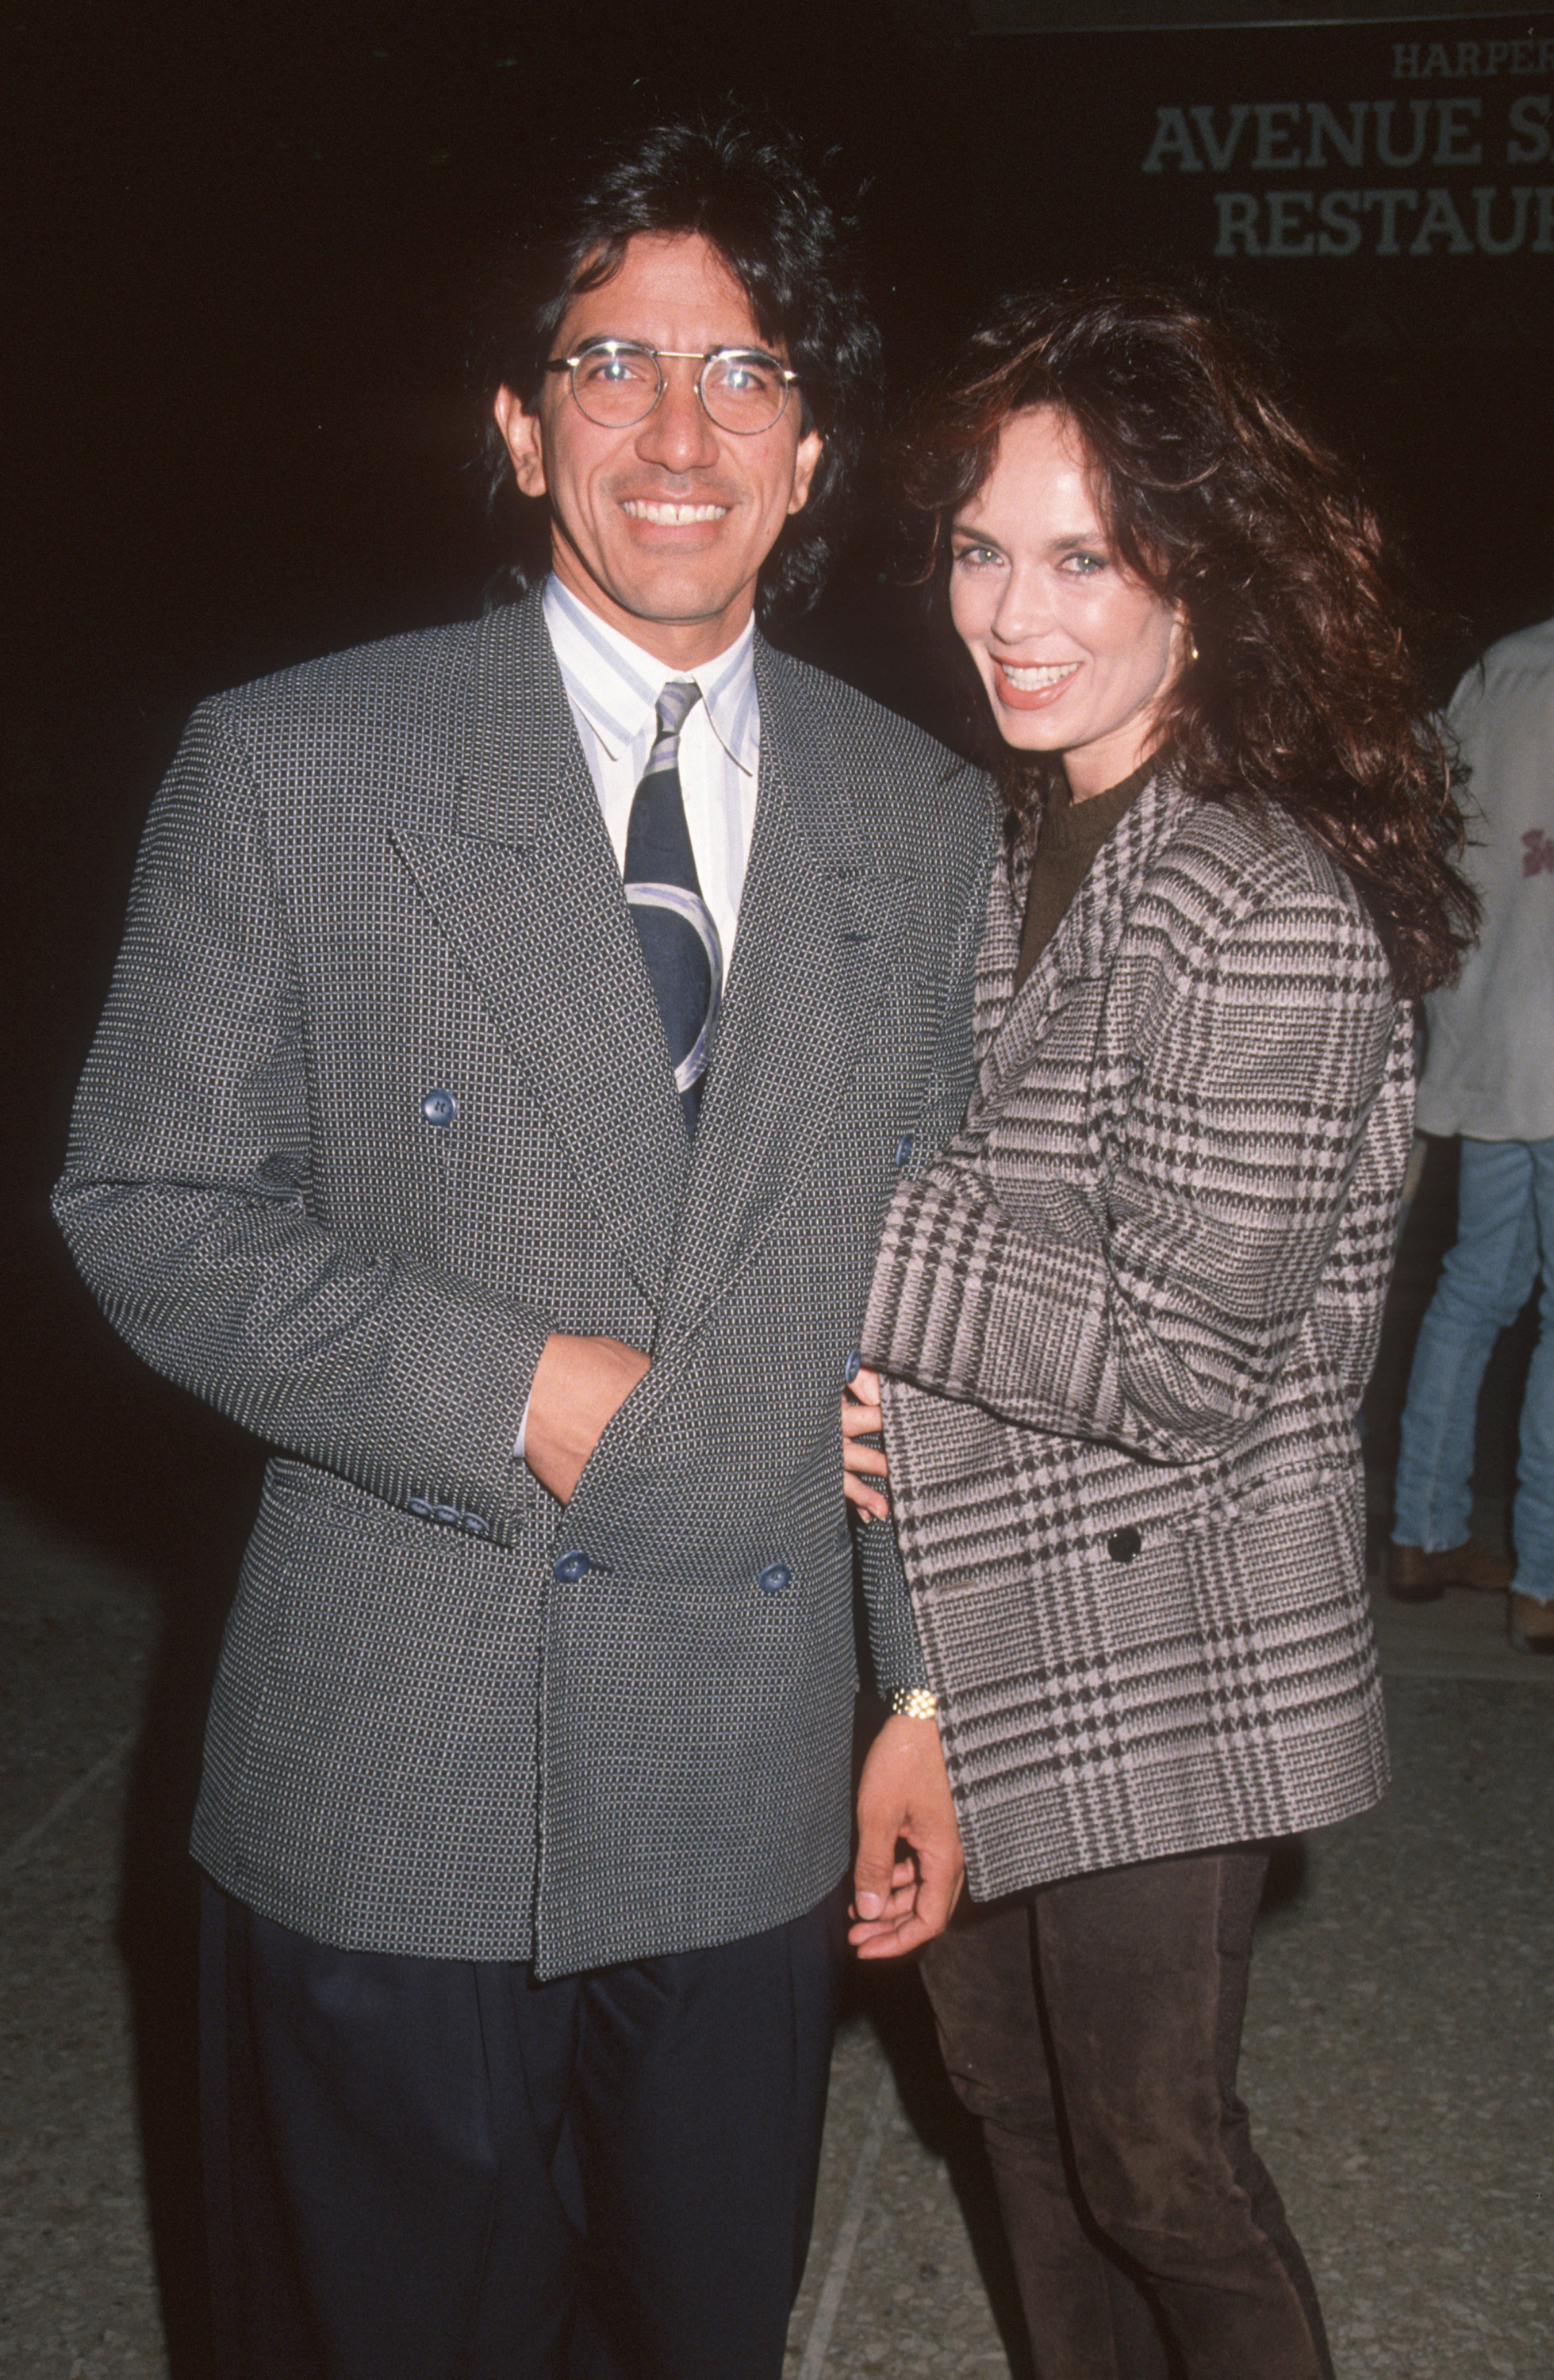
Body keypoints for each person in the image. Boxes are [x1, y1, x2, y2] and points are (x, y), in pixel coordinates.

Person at [53, 116, 995, 2380]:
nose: (679, 430)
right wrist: (513, 1391)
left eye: (747, 372)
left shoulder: (925, 811)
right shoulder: (301, 763)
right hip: (402, 1765)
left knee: (695, 2335)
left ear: (816, 449)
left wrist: (931, 1690)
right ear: (516, 423)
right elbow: (145, 1205)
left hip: (748, 1773)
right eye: (613, 363)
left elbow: (939, 1297)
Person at [838, 286, 1474, 2380]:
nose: (1014, 615)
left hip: (1166, 1629)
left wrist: (831, 1232)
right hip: (991, 1609)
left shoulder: (1258, 888)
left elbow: (1191, 1355)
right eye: (982, 548)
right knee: (1015, 2121)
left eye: (1085, 557)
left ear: (1202, 572)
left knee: (1154, 2155)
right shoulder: (1012, 835)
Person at [1387, 612, 1554, 1651]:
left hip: (1493, 1024)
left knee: (1479, 1280)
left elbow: (1443, 829)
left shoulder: (1504, 663)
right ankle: (1545, 1574)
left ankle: (1424, 1531)